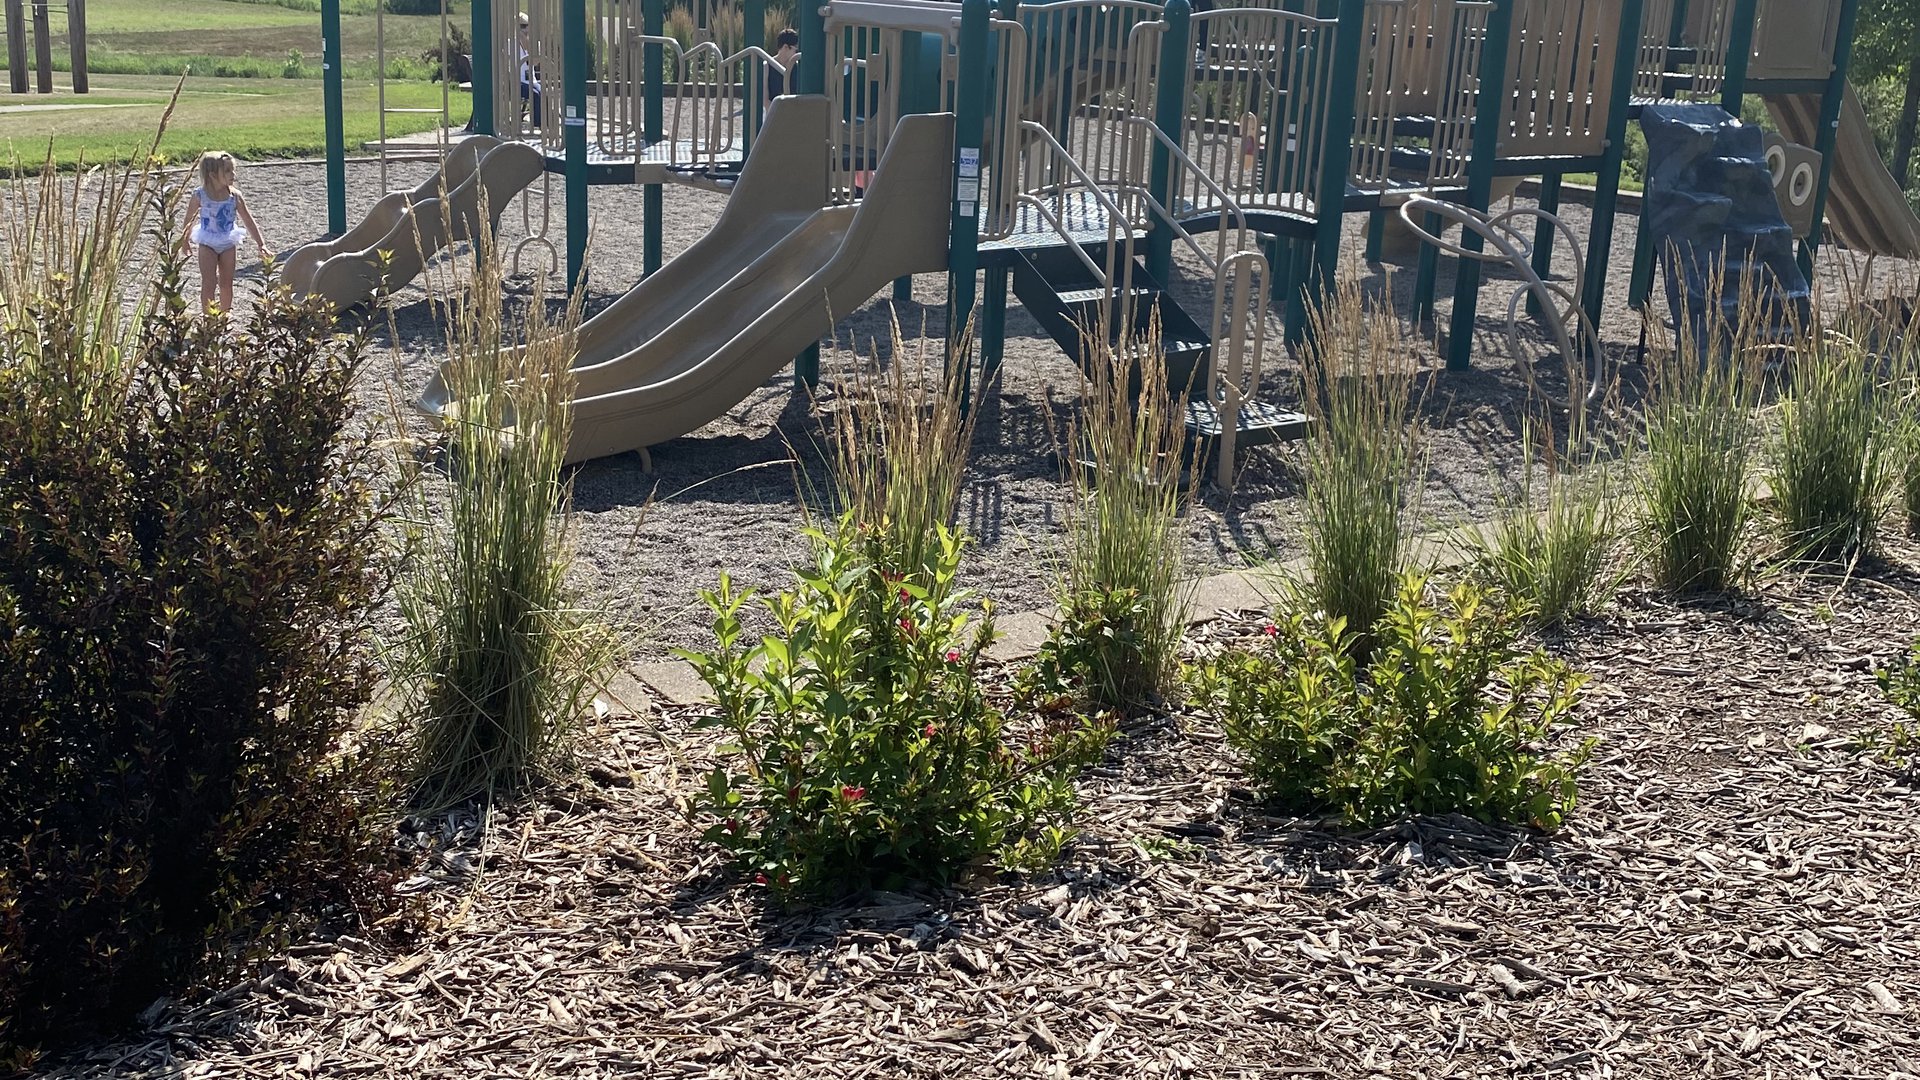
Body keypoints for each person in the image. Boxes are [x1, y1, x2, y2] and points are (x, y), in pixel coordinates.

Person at [176, 151, 270, 316]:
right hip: (207, 242)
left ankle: (226, 315)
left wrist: (261, 244)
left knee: (226, 283)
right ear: (212, 175)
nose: (232, 174)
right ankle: (209, 317)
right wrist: (185, 241)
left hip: (228, 242)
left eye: (233, 170)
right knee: (209, 282)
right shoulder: (200, 195)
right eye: (227, 171)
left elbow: (248, 220)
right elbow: (189, 218)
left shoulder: (234, 196)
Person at [517, 12, 545, 129]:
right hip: (518, 81)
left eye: (526, 26)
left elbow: (535, 63)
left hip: (531, 80)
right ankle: (538, 124)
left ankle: (545, 120)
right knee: (535, 94)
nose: (525, 29)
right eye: (521, 26)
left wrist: (528, 46)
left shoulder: (532, 44)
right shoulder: (510, 44)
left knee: (542, 92)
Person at [765, 28, 797, 102]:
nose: (796, 53)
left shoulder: (796, 67)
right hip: (773, 111)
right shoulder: (767, 66)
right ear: (785, 47)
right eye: (795, 49)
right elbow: (765, 100)